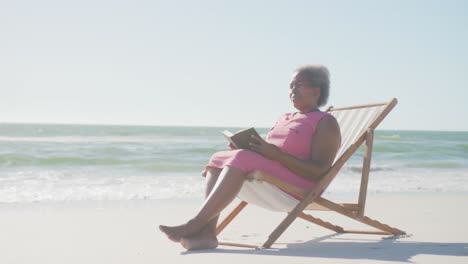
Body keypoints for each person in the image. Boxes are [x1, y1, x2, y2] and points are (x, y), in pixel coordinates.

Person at [159, 65, 341, 250]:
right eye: (291, 86)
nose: (292, 90)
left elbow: (319, 171)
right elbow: (270, 154)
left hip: (299, 187)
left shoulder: (325, 122)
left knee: (240, 157)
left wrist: (275, 154)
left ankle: (194, 224)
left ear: (316, 91)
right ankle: (207, 233)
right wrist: (250, 149)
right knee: (218, 158)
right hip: (275, 177)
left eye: (299, 85)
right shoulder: (284, 117)